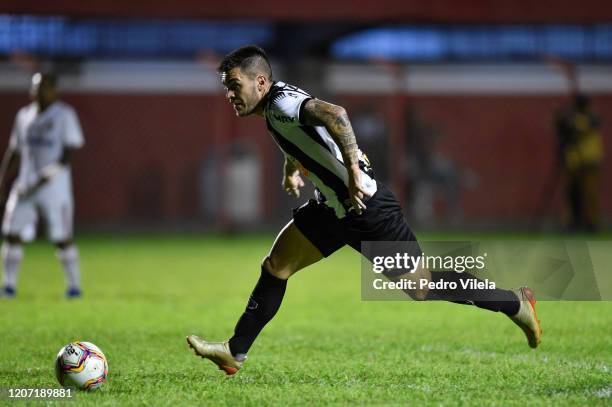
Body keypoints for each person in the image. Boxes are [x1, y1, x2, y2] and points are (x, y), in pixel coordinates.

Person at [186, 46, 542, 375]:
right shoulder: (275, 108)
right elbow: (304, 139)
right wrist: (290, 169)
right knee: (277, 266)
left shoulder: (280, 105)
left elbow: (335, 114)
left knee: (421, 288)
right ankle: (235, 351)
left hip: (365, 209)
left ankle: (515, 304)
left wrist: (354, 170)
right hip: (332, 210)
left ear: (260, 82)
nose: (230, 94)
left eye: (235, 85)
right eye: (226, 87)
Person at [0, 72, 84, 298]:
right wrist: (3, 179)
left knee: (62, 238)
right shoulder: (24, 116)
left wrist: (48, 174)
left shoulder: (65, 115)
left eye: (45, 87)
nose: (40, 91)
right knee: (11, 233)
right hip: (25, 186)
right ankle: (8, 285)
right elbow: (15, 150)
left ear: (55, 90)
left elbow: (69, 153)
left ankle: (74, 286)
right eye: (37, 87)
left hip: (54, 188)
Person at [555, 94, 604, 232]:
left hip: (589, 161)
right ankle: (572, 222)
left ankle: (591, 222)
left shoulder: (590, 118)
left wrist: (566, 122)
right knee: (571, 193)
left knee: (590, 193)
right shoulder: (573, 118)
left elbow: (582, 126)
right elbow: (562, 128)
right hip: (574, 161)